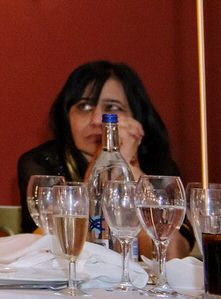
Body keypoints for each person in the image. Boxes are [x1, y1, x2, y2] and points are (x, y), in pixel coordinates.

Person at [16, 60, 191, 256]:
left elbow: (170, 254)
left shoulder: (160, 167)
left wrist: (128, 166)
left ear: (136, 116)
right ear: (67, 116)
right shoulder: (41, 162)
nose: (98, 120)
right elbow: (60, 247)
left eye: (112, 108)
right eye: (84, 106)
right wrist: (105, 163)